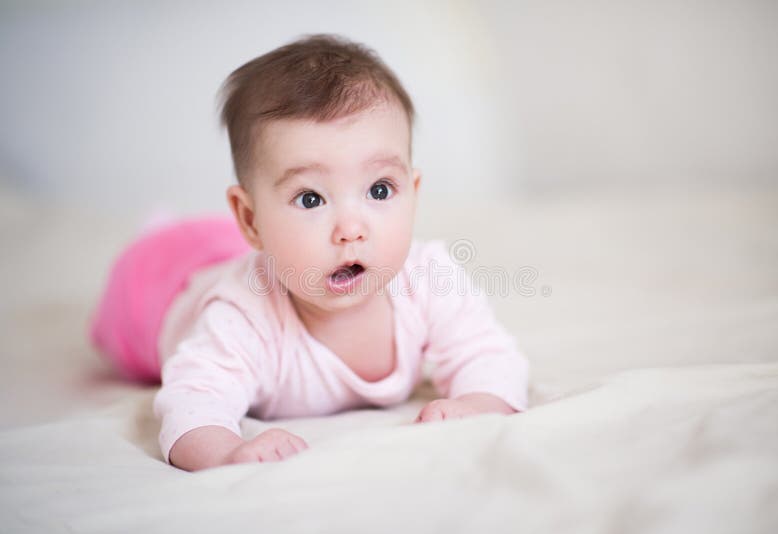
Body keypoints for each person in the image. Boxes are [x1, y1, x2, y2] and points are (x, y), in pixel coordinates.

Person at [89, 33, 530, 471]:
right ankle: (158, 235)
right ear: (251, 219)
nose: (351, 230)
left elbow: (488, 353)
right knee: (137, 300)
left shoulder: (428, 278)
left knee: (242, 249)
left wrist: (479, 401)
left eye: (379, 190)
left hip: (249, 249)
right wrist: (226, 452)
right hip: (160, 294)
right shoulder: (241, 315)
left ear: (413, 192)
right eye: (311, 199)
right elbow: (192, 401)